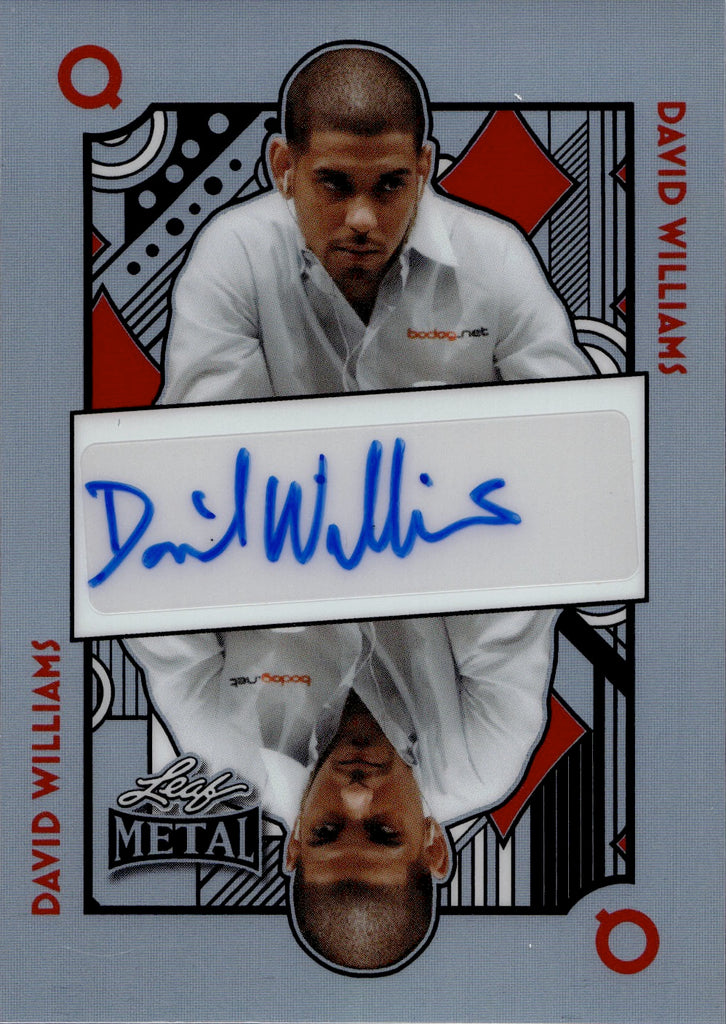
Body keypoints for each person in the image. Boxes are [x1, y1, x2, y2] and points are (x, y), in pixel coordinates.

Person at [124, 42, 592, 973]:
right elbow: (526, 542)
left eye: (391, 184)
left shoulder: (223, 743)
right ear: (282, 166)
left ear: (426, 165)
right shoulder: (487, 753)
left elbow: (163, 550)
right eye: (332, 183)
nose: (355, 798)